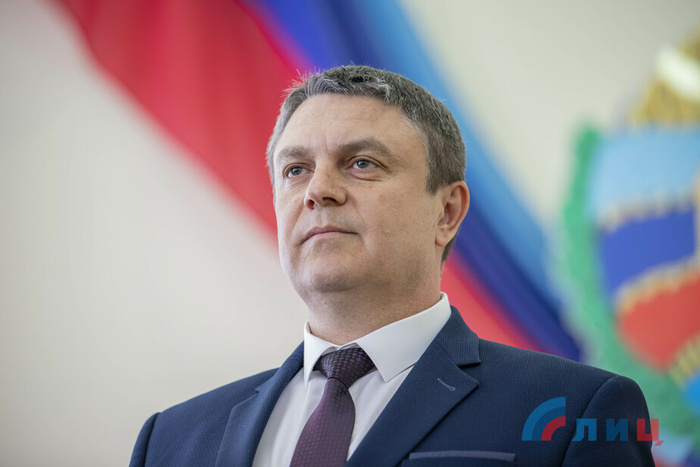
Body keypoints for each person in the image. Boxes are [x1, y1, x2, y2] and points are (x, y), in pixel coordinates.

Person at [129, 66, 654, 466]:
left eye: (362, 163)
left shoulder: (576, 410)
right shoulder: (170, 441)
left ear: (446, 213)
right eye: (295, 169)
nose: (318, 190)